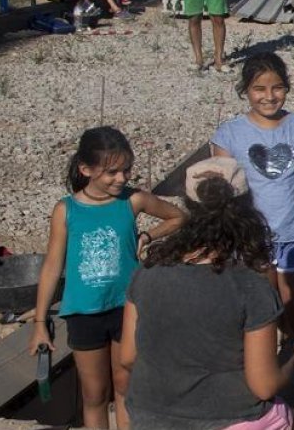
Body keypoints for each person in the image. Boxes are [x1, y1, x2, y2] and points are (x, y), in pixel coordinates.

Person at [122, 156, 294, 430]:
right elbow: (263, 386)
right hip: (228, 417)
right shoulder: (250, 285)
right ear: (246, 210)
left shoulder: (147, 273)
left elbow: (128, 358)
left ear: (188, 208)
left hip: (149, 416)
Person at [211, 53, 294, 428]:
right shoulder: (229, 136)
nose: (269, 96)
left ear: (287, 87)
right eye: (259, 89)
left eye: (277, 88)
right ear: (245, 91)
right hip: (248, 242)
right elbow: (222, 196)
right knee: (258, 325)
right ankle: (259, 402)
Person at [29, 126, 185, 430]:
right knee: (94, 394)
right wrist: (38, 325)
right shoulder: (66, 210)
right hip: (83, 314)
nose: (122, 178)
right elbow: (51, 266)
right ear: (86, 169)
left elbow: (178, 216)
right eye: (112, 172)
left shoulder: (133, 201)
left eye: (126, 170)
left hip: (127, 308)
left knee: (126, 386)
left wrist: (148, 235)